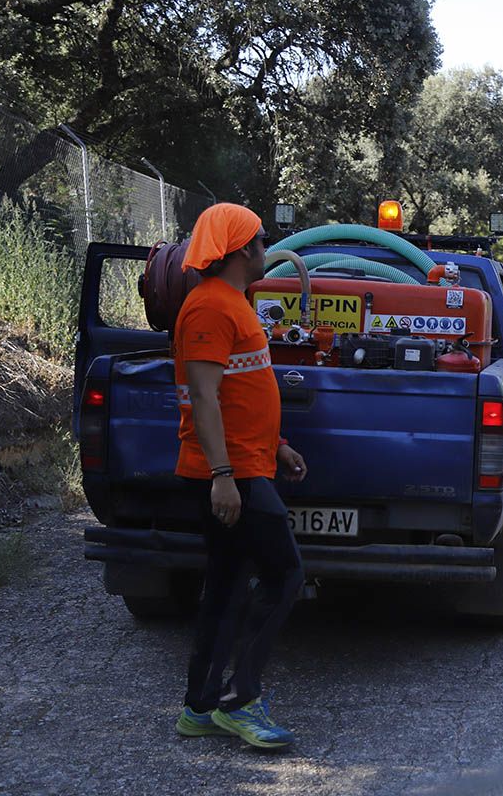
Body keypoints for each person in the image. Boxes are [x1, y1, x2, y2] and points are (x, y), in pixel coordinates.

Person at [171, 203, 309, 749]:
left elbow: (235, 392)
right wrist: (224, 476)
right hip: (232, 478)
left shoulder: (231, 303)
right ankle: (240, 700)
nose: (265, 248)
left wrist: (276, 444)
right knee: (284, 576)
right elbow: (202, 398)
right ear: (241, 250)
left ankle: (200, 706)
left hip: (247, 467)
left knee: (226, 588)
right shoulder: (208, 307)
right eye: (259, 239)